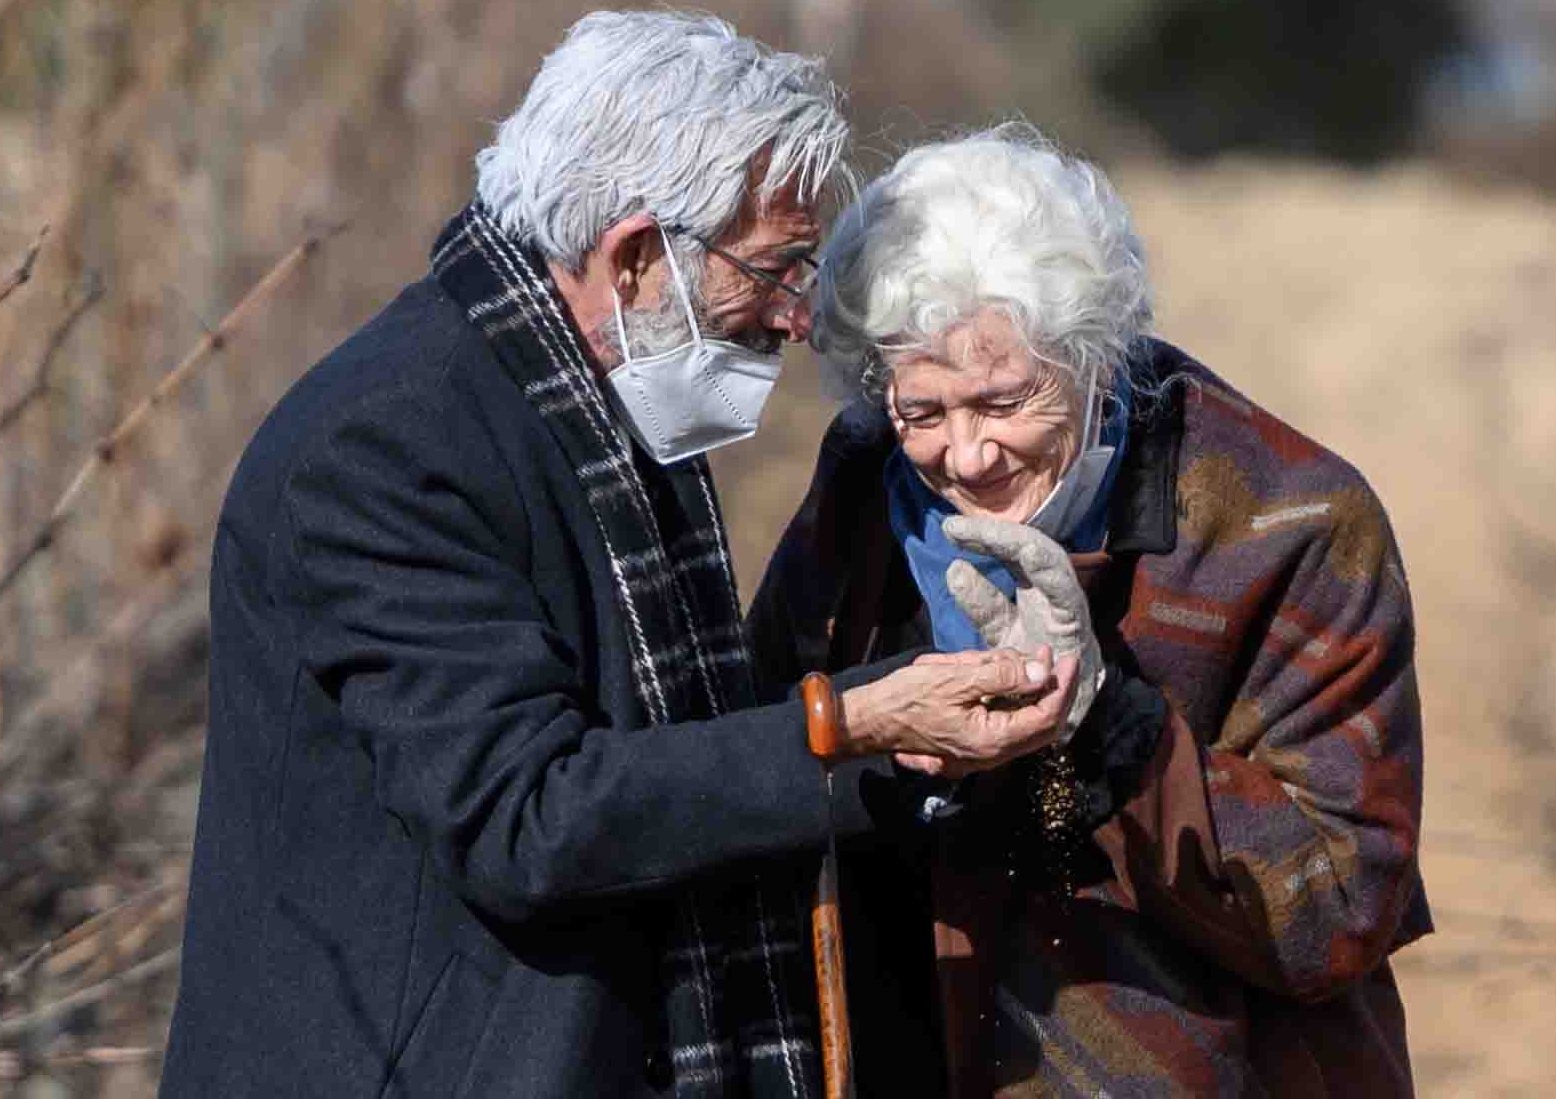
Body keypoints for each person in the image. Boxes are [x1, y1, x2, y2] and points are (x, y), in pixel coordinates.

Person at [161, 18, 1080, 1098]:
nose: (793, 317)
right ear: (638, 254)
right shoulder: (381, 448)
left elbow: (700, 758)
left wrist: (919, 720)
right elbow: (528, 815)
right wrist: (849, 725)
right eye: (776, 269)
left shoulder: (610, 393)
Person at [747, 127, 1433, 1096]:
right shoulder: (865, 481)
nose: (968, 456)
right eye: (925, 412)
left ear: (1092, 358)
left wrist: (1109, 727)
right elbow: (772, 738)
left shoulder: (1290, 523)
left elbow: (1337, 907)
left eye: (1004, 399)